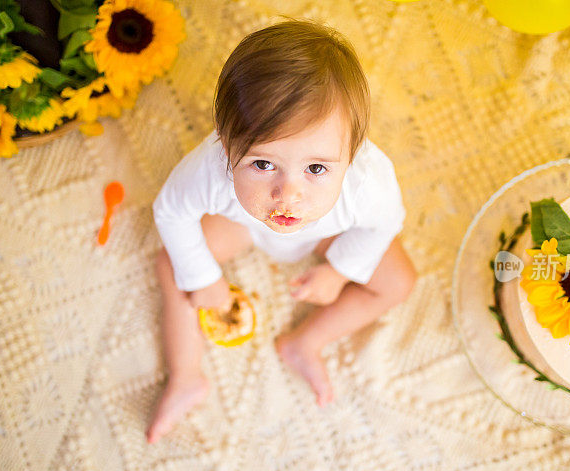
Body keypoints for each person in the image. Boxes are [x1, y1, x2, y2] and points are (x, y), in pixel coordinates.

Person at [146, 20, 416, 444]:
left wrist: (340, 271)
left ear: (352, 154)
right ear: (226, 143)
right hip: (243, 224)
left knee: (399, 281)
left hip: (328, 233)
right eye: (262, 164)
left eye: (316, 169)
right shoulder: (211, 169)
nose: (286, 195)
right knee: (172, 262)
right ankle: (185, 375)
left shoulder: (367, 182)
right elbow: (171, 211)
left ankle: (306, 343)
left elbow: (386, 222)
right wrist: (203, 277)